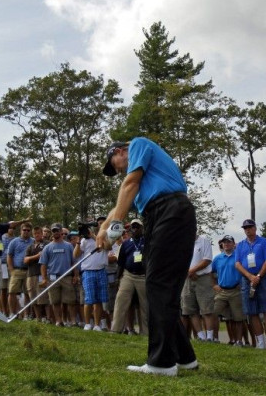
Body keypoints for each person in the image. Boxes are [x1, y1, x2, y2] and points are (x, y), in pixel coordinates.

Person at [97, 139, 198, 376]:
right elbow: (122, 198)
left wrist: (115, 224)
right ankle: (185, 357)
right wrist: (103, 230)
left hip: (171, 211)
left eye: (117, 165)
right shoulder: (140, 178)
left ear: (121, 151)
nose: (120, 171)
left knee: (159, 285)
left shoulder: (138, 145)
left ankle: (162, 363)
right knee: (159, 287)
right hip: (157, 216)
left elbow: (129, 183)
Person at [235, 218, 266, 351]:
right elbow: (237, 264)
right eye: (245, 228)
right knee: (252, 312)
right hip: (247, 280)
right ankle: (260, 342)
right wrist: (250, 276)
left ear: (255, 228)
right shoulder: (241, 245)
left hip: (263, 278)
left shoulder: (263, 242)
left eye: (250, 227)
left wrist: (258, 276)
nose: (247, 230)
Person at [112, 218, 148, 335]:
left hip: (143, 276)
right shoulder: (126, 244)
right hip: (128, 275)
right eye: (133, 227)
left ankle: (146, 332)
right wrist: (118, 278)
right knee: (121, 300)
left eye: (137, 226)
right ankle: (116, 329)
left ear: (142, 228)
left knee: (145, 305)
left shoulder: (148, 242)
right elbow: (121, 263)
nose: (135, 228)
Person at [39, 223, 79, 327]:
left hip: (67, 276)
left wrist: (75, 275)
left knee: (70, 300)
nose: (55, 232)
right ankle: (58, 321)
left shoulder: (69, 246)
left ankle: (73, 321)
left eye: (57, 230)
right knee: (55, 301)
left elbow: (74, 261)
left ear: (61, 231)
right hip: (53, 277)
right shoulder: (47, 248)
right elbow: (43, 264)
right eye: (54, 231)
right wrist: (44, 278)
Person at [181, 234, 218, 342]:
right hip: (187, 279)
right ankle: (201, 336)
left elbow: (207, 260)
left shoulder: (204, 240)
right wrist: (189, 273)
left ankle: (210, 337)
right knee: (190, 309)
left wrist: (192, 271)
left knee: (206, 309)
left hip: (203, 278)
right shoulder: (182, 242)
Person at [75, 223, 109, 331]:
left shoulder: (104, 238)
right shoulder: (84, 241)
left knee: (98, 300)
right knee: (89, 299)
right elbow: (75, 255)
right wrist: (78, 240)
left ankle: (97, 325)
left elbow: (107, 246)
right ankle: (87, 324)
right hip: (88, 271)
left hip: (101, 271)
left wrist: (94, 236)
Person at [212, 235, 244, 346]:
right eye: (224, 242)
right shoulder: (217, 258)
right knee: (213, 313)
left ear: (233, 244)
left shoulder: (238, 256)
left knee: (238, 317)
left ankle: (239, 341)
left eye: (229, 242)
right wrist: (214, 284)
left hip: (236, 290)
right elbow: (211, 272)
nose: (226, 244)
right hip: (222, 291)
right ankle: (214, 338)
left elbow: (244, 270)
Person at [6, 222, 33, 319]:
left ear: (30, 232)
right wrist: (11, 269)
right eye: (24, 230)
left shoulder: (33, 241)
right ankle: (12, 313)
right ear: (20, 230)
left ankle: (26, 315)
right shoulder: (14, 241)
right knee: (12, 292)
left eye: (28, 230)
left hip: (29, 271)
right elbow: (9, 255)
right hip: (16, 270)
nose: (26, 232)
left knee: (27, 293)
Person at [24, 226, 48, 322]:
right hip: (31, 274)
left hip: (41, 273)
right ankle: (38, 318)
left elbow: (44, 256)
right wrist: (37, 256)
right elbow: (25, 260)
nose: (37, 235)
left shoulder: (46, 244)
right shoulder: (30, 246)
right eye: (35, 233)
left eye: (38, 233)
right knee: (33, 296)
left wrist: (31, 258)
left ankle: (48, 318)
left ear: (42, 233)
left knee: (43, 297)